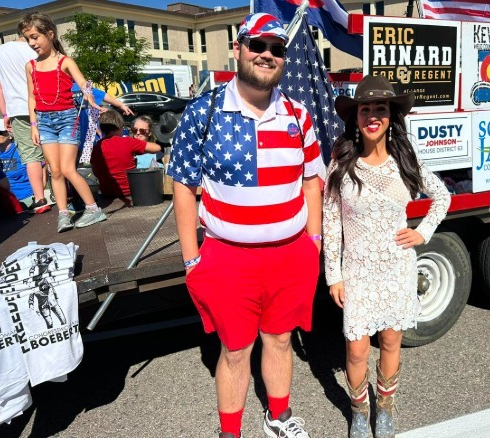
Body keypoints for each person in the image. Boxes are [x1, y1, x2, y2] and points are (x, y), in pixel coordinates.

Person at [167, 13, 324, 438]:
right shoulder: (205, 111)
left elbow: (312, 180)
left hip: (291, 254)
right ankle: (230, 433)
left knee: (280, 340)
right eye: (258, 45)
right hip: (227, 257)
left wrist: (314, 241)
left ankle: (279, 417)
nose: (267, 55)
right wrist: (191, 259)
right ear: (238, 48)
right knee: (235, 351)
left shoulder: (299, 114)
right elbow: (183, 186)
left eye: (276, 49)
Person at [323, 75, 451, 438]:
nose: (373, 116)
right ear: (356, 117)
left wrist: (422, 232)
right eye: (366, 109)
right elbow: (331, 221)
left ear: (391, 116)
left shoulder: (404, 161)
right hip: (359, 273)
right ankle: (360, 412)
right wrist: (334, 274)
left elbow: (443, 198)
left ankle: (387, 407)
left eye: (381, 109)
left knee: (392, 341)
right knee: (357, 350)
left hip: (397, 268)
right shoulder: (342, 165)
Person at [21, 11, 106, 232]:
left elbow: (83, 84)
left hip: (68, 119)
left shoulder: (65, 61)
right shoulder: (31, 66)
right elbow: (31, 97)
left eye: (35, 37)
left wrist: (89, 97)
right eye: (28, 38)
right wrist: (33, 126)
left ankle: (93, 209)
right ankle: (63, 214)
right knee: (54, 170)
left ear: (50, 34)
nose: (32, 43)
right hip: (44, 121)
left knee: (68, 169)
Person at [0, 33, 52, 213]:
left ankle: (40, 199)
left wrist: (5, 113)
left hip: (17, 109)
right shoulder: (34, 49)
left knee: (30, 156)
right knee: (54, 148)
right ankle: (63, 193)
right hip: (43, 104)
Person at [91, 110, 161, 198]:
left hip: (107, 193)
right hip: (131, 191)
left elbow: (95, 172)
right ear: (120, 127)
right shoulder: (128, 142)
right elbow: (157, 148)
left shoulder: (97, 147)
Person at [0, 119, 37, 207]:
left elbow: (41, 168)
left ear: (10, 135)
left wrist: (38, 194)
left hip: (27, 197)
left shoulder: (21, 148)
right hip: (5, 199)